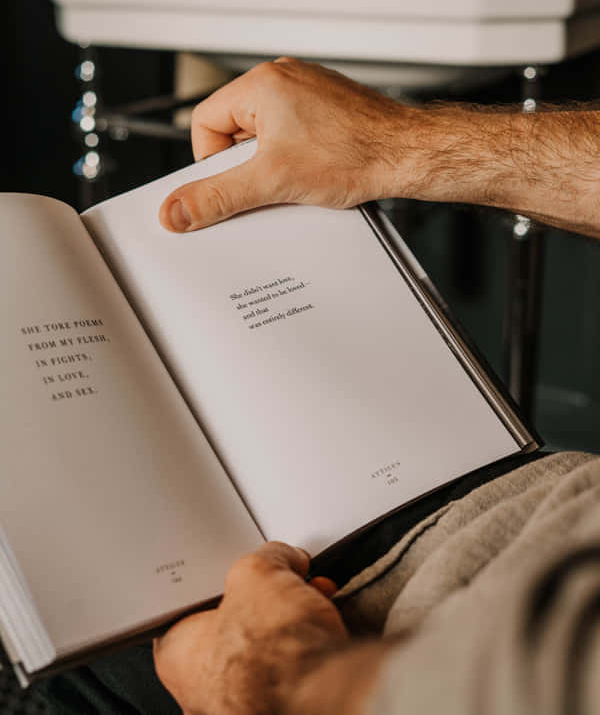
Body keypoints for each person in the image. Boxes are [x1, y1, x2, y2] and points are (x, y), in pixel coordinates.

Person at [43, 59, 600, 714]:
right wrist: (390, 141)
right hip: (528, 513)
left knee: (83, 644)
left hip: (436, 611)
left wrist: (282, 684)